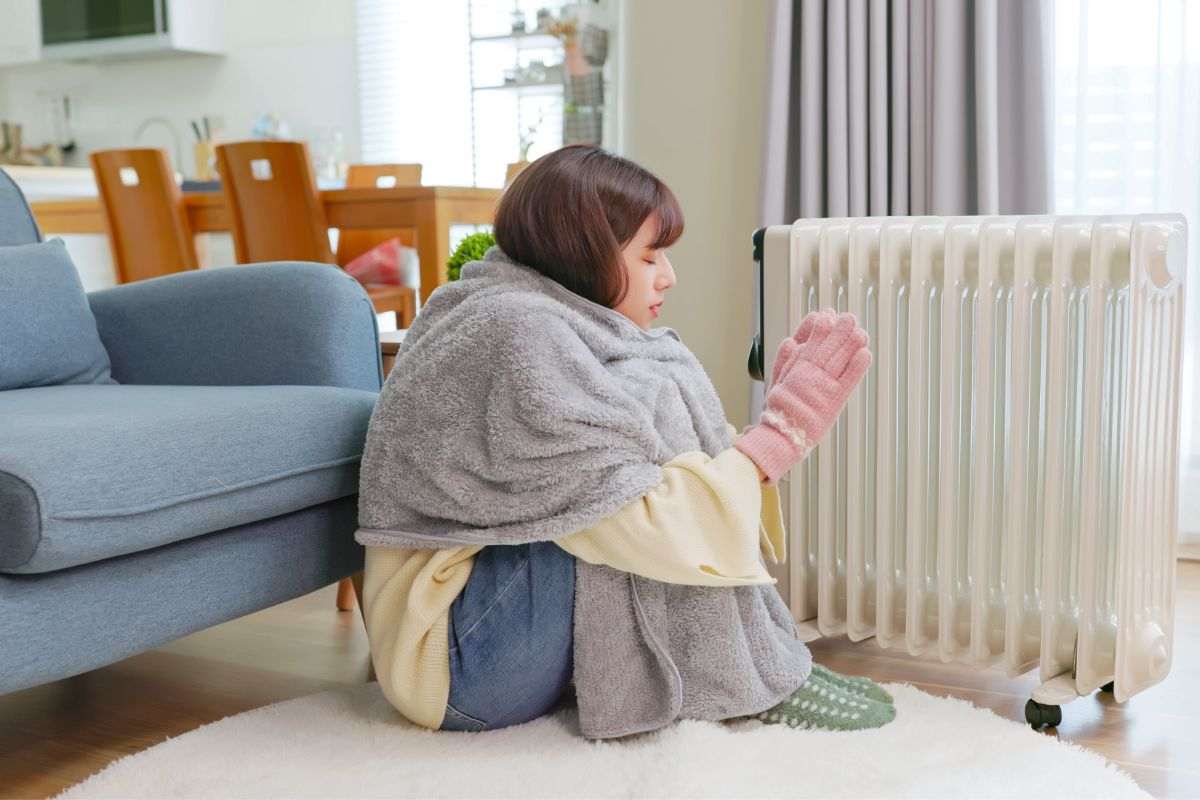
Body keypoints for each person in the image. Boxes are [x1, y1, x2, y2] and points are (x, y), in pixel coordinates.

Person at [357, 144, 894, 737]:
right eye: (649, 255)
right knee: (621, 499)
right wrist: (778, 436)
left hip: (494, 635)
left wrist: (764, 443)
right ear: (583, 252)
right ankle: (740, 682)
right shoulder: (515, 332)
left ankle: (756, 663)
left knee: (635, 455)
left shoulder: (548, 319)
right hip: (458, 668)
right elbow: (637, 519)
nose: (668, 275)